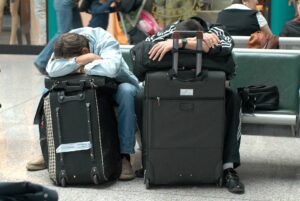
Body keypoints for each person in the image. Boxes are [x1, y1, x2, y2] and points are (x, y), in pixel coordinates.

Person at [135, 17, 245, 194]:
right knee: (140, 97)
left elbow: (225, 46)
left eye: (196, 38)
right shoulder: (170, 30)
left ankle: (228, 168)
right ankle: (150, 160)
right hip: (170, 86)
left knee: (233, 99)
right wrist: (192, 43)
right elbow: (143, 49)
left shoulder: (216, 30)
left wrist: (180, 43)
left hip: (208, 86)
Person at [29, 27, 140, 181]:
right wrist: (82, 60)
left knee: (126, 92)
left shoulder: (105, 40)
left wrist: (78, 67)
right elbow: (51, 69)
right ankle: (49, 148)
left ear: (85, 49)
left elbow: (111, 68)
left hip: (113, 86)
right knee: (46, 91)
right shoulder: (65, 42)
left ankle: (124, 155)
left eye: (81, 56)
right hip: (82, 85)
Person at [34, 0, 82, 75]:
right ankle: (41, 61)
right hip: (64, 2)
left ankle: (80, 64)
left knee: (79, 32)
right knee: (62, 33)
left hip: (71, 3)